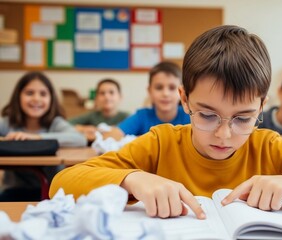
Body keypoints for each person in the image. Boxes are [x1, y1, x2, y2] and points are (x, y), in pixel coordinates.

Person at [50, 25, 282, 219]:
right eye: (207, 115)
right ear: (184, 99)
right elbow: (62, 184)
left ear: (262, 106)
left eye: (243, 118)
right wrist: (132, 181)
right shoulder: (161, 142)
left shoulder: (268, 147)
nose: (224, 134)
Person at [0, 71, 87, 201]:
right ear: (18, 96)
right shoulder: (8, 123)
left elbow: (80, 139)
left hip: (51, 192)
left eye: (43, 94)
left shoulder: (55, 123)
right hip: (13, 191)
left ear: (51, 98)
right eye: (29, 93)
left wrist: (36, 137)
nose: (36, 99)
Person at [106, 61, 190, 140]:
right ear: (149, 91)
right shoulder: (142, 116)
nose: (165, 93)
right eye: (159, 87)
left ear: (181, 92)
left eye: (172, 88)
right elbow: (112, 136)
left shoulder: (190, 116)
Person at [69, 78, 129, 143]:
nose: (107, 96)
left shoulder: (127, 117)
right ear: (96, 98)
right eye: (102, 93)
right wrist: (84, 129)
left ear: (120, 96)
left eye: (111, 92)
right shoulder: (92, 115)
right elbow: (66, 124)